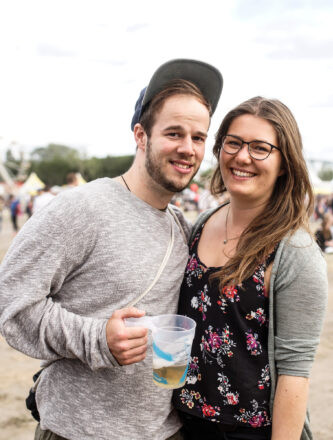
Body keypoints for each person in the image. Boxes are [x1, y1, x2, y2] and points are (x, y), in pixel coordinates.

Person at [0, 59, 223, 440]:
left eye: (198, 137)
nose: (188, 148)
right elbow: (11, 302)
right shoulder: (81, 208)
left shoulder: (182, 227)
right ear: (141, 135)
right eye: (174, 133)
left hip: (166, 431)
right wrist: (98, 338)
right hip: (77, 431)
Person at [172, 97, 328, 440]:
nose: (242, 157)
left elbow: (294, 373)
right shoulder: (201, 224)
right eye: (234, 143)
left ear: (285, 163)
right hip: (183, 425)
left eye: (260, 148)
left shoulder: (295, 252)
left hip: (249, 433)